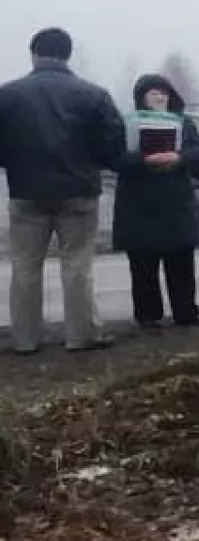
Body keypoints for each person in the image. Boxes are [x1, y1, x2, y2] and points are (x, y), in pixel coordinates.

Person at [0, 28, 125, 354]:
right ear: (67, 55)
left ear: (34, 54)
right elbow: (113, 147)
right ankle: (81, 335)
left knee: (25, 266)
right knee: (77, 265)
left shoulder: (8, 95)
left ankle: (26, 339)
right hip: (78, 192)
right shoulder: (94, 95)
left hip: (26, 192)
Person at [113, 73, 199, 329]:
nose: (160, 96)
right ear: (141, 97)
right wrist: (144, 160)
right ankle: (148, 316)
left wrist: (177, 157)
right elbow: (114, 158)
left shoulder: (184, 123)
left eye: (164, 92)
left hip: (175, 201)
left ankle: (186, 312)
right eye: (153, 92)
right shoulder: (125, 124)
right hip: (138, 203)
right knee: (143, 264)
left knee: (181, 261)